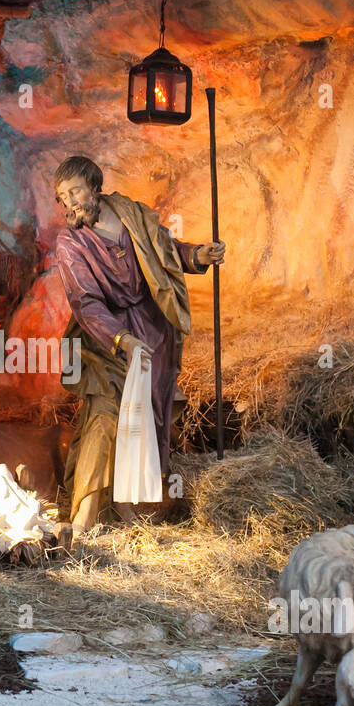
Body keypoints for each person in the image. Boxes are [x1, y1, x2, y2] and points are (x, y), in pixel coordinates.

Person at [52, 155, 226, 532]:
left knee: (147, 417)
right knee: (106, 414)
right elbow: (86, 302)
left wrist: (197, 255)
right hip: (105, 339)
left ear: (94, 185)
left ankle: (127, 510)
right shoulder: (70, 242)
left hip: (152, 333)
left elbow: (165, 250)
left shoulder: (130, 214)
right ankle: (84, 513)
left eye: (75, 191)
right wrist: (122, 339)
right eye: (62, 197)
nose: (70, 203)